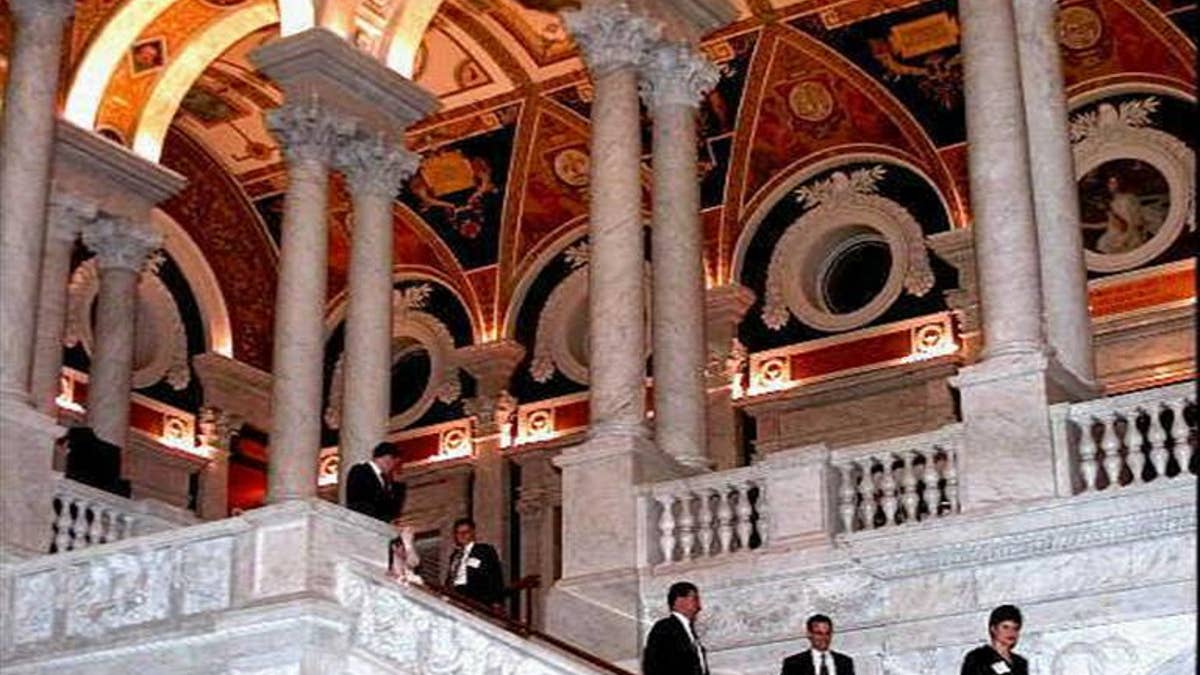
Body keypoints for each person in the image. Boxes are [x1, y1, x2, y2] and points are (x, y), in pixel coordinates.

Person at [642, 581, 709, 675]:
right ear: (679, 600)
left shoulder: (688, 629)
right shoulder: (664, 628)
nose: (699, 606)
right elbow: (653, 665)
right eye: (694, 599)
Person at [444, 517, 504, 608]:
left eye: (466, 532)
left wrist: (497, 600)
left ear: (472, 533)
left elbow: (495, 574)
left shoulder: (483, 550)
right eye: (459, 533)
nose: (462, 535)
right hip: (455, 593)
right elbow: (450, 576)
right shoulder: (455, 556)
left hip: (475, 594)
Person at [344, 442, 405, 522]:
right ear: (388, 458)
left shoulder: (385, 481)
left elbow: (392, 512)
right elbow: (359, 502)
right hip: (363, 522)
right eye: (395, 463)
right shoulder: (361, 471)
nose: (394, 467)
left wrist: (397, 487)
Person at [960, 605, 1029, 675]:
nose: (1011, 632)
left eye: (1015, 628)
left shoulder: (1020, 663)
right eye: (1005, 627)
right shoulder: (977, 658)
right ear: (993, 629)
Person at [780, 614, 855, 675]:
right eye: (819, 633)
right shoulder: (793, 664)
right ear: (809, 634)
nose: (824, 638)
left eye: (827, 633)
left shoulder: (845, 662)